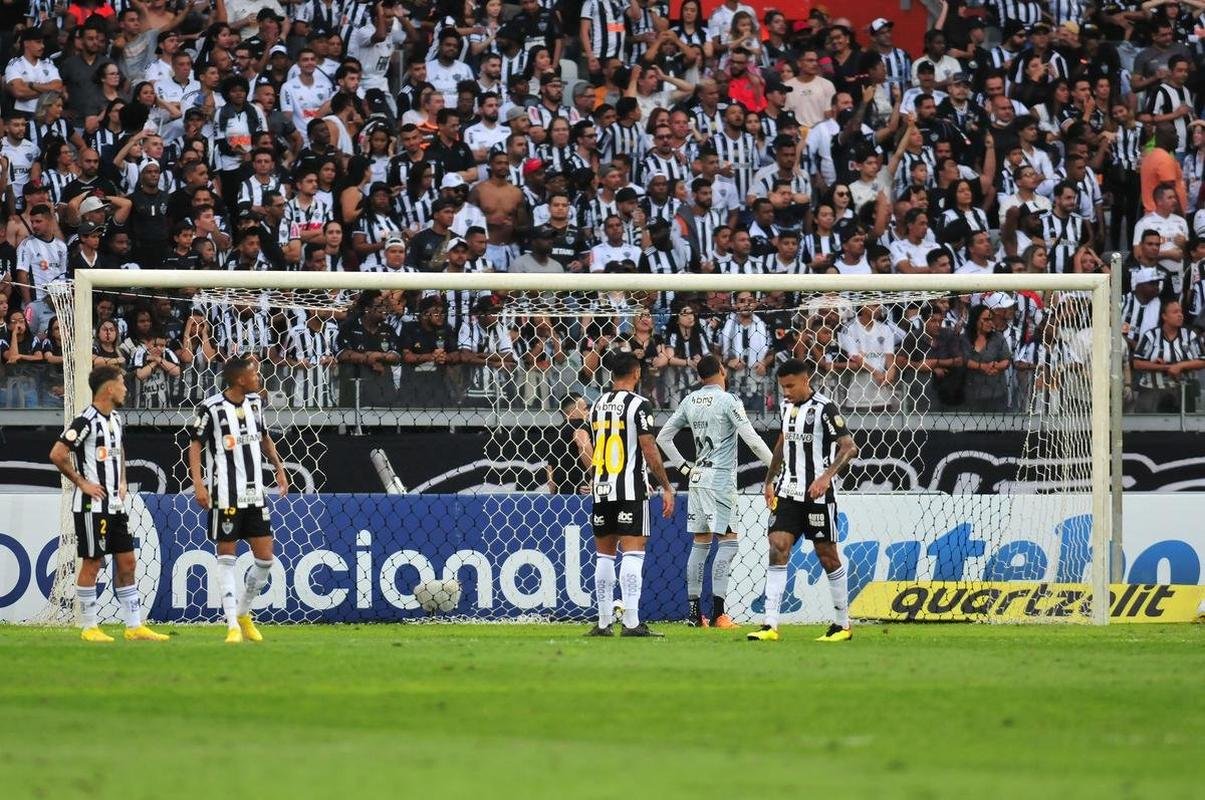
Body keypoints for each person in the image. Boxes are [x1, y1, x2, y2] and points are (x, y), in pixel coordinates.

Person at [48, 365, 168, 642]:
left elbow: (119, 449)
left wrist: (123, 479)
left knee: (127, 562)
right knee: (92, 563)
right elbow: (57, 453)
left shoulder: (114, 419)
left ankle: (134, 626)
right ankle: (89, 627)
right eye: (122, 383)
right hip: (91, 506)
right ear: (109, 388)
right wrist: (82, 483)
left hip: (115, 505)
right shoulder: (85, 420)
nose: (126, 388)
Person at [655, 355, 773, 628]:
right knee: (728, 544)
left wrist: (685, 470)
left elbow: (663, 438)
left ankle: (696, 615)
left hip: (697, 478)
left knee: (700, 544)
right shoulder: (729, 401)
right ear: (721, 370)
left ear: (699, 377)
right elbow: (753, 441)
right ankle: (720, 614)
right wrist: (778, 467)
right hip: (720, 479)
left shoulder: (690, 400)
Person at [750, 358, 859, 642]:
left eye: (790, 386)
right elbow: (782, 443)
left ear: (805, 380)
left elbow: (849, 448)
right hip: (787, 492)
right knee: (777, 545)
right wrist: (769, 481)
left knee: (827, 555)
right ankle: (769, 625)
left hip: (817, 496)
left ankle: (842, 624)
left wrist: (825, 477)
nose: (785, 392)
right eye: (782, 387)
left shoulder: (825, 408)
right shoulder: (787, 408)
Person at [188, 355, 289, 644]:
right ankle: (232, 624)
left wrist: (279, 469)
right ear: (239, 379)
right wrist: (199, 484)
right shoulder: (210, 408)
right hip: (225, 494)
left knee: (266, 559)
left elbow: (265, 437)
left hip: (255, 494)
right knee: (227, 557)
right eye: (254, 374)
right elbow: (195, 447)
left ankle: (243, 613)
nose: (258, 378)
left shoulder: (255, 403)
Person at [584, 352, 676, 638]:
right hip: (630, 488)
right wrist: (665, 486)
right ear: (636, 373)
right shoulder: (639, 404)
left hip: (601, 487)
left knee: (604, 557)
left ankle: (602, 623)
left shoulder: (596, 405)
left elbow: (592, 446)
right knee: (634, 553)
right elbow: (649, 450)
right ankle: (632, 622)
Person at [546, 393, 593, 494]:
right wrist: (597, 476)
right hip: (582, 491)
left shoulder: (556, 433)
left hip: (561, 494)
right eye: (584, 409)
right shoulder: (579, 424)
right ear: (572, 413)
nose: (588, 412)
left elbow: (550, 467)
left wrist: (553, 492)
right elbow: (582, 444)